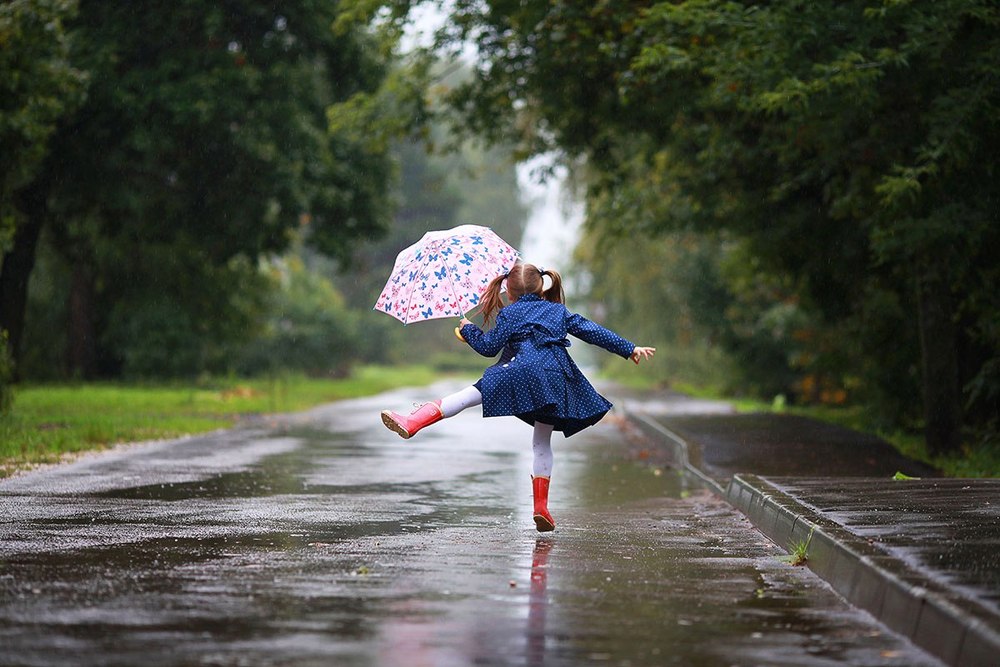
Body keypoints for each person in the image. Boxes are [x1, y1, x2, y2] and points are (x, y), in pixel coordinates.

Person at [380, 261, 655, 532]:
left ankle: (413, 422)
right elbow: (592, 331)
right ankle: (541, 508)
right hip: (554, 379)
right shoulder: (557, 311)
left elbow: (489, 348)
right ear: (541, 287)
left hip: (518, 370)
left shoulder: (509, 314)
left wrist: (469, 330)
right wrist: (629, 348)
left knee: (466, 397)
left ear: (508, 293)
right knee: (542, 441)